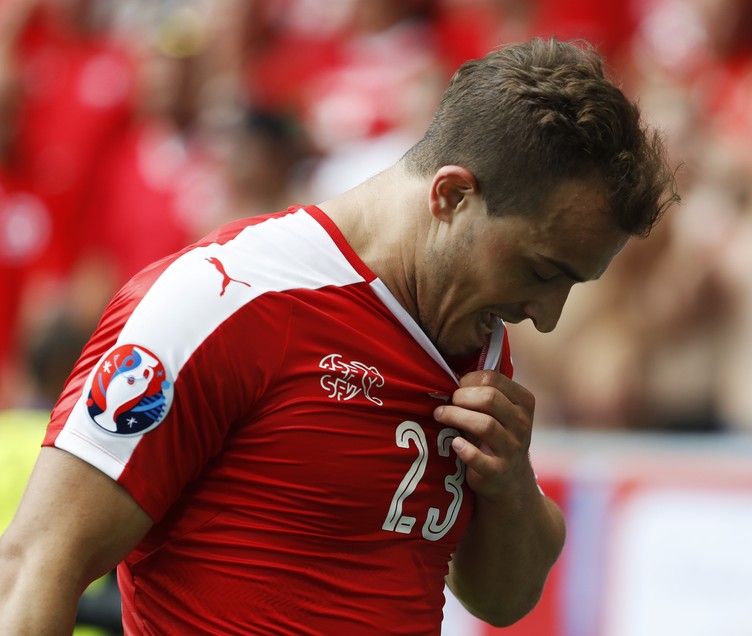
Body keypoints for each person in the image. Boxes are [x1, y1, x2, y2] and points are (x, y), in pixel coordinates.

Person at [0, 37, 677, 634]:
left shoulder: (470, 324)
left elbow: (501, 600)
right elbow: (35, 563)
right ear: (449, 197)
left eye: (570, 284)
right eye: (540, 270)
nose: (547, 314)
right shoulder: (220, 303)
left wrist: (509, 488)